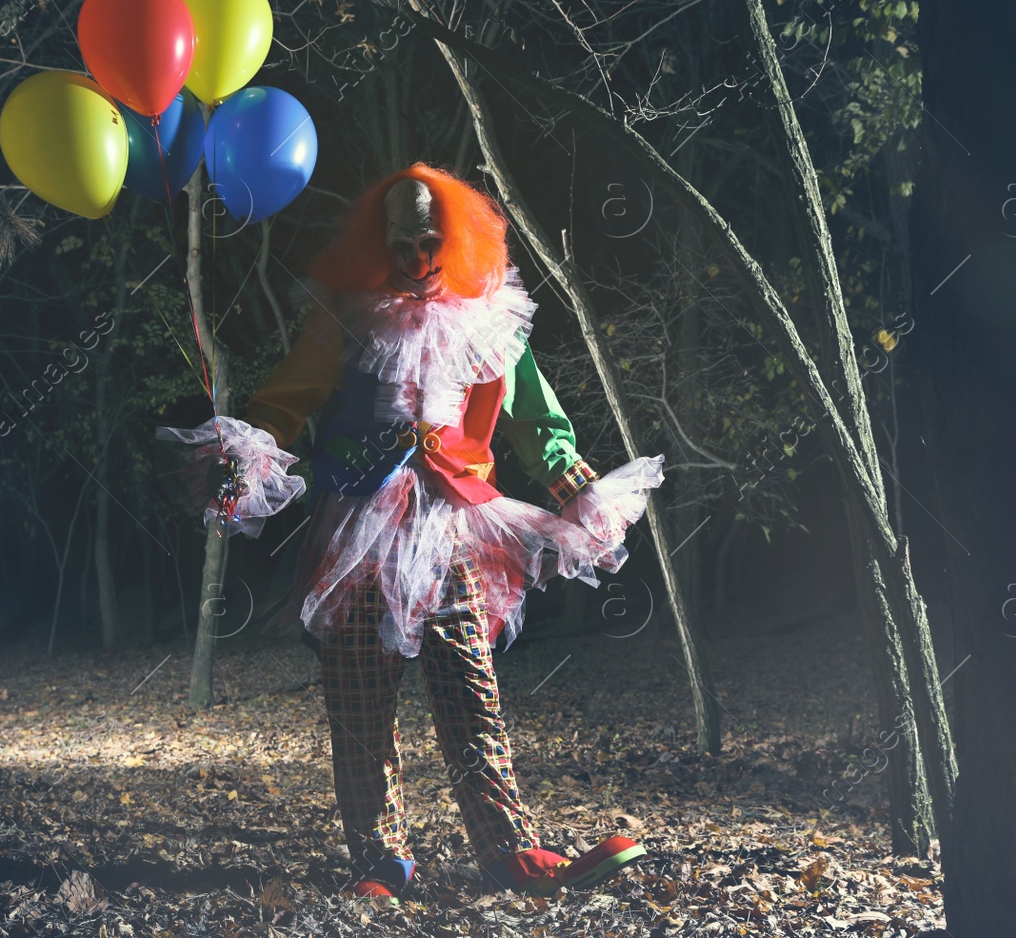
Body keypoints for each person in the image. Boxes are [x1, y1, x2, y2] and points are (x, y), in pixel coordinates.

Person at [158, 163, 662, 901]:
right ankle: (380, 857)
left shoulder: (491, 318)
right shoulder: (349, 317)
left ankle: (510, 851)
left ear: (451, 239)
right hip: (358, 528)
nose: (417, 258)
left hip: (454, 527)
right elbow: (288, 397)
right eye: (401, 243)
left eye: (429, 240)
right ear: (380, 242)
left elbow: (536, 424)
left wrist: (580, 491)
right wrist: (243, 457)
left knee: (469, 690)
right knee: (360, 697)